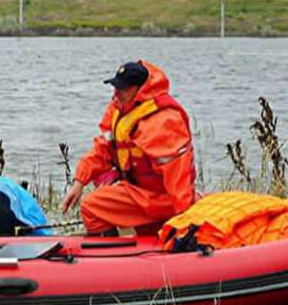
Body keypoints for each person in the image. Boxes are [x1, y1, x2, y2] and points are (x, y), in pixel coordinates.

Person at [60, 60, 196, 235]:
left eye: (122, 88)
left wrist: (186, 223)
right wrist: (79, 182)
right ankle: (119, 255)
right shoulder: (119, 109)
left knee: (91, 206)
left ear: (139, 89)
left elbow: (178, 177)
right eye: (115, 87)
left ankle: (118, 255)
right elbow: (102, 150)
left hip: (162, 199)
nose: (116, 93)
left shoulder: (163, 120)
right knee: (93, 206)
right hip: (139, 193)